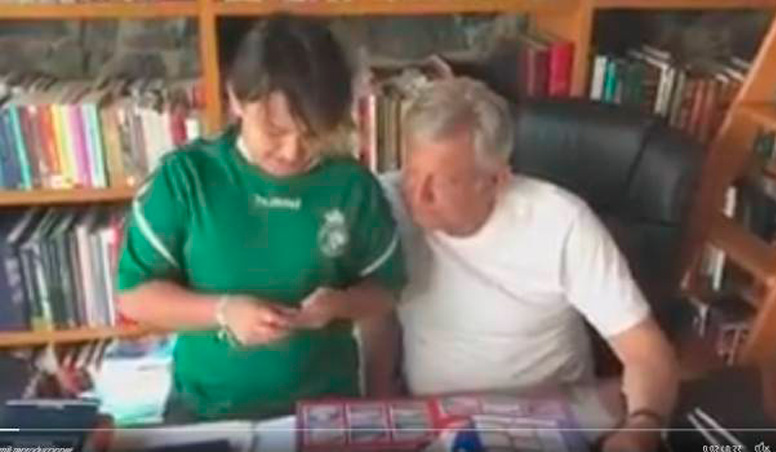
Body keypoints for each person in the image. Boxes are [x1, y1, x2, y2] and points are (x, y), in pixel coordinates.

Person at [116, 16, 405, 421]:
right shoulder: (186, 178)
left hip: (324, 410)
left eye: (312, 134)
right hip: (206, 408)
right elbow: (135, 296)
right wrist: (222, 311)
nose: (292, 152)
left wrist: (339, 304)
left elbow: (386, 290)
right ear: (236, 98)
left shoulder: (352, 186)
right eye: (274, 131)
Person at [380, 77, 679, 452]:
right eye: (411, 172)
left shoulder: (559, 222)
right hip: (431, 428)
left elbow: (645, 351)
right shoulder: (383, 207)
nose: (417, 195)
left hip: (546, 426)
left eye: (441, 182)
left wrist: (641, 428)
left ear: (495, 181)